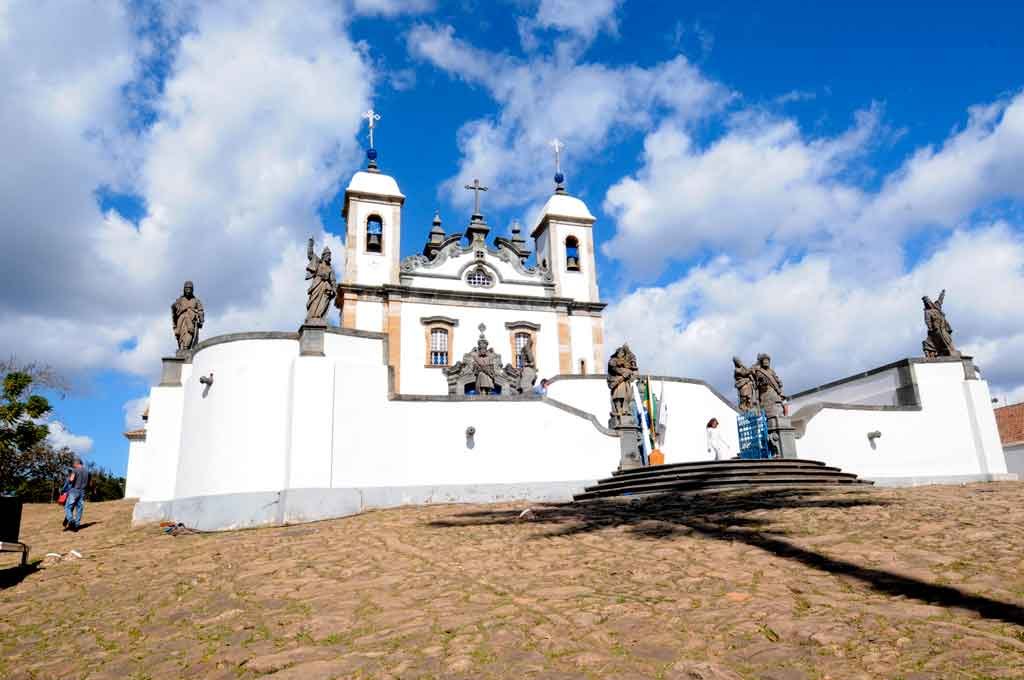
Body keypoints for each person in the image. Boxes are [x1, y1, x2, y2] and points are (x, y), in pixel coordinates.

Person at [64, 458, 89, 532]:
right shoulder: (87, 471)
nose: (73, 466)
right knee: (79, 508)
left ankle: (71, 520)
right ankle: (77, 525)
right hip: (82, 491)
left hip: (74, 490)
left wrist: (68, 480)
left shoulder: (75, 470)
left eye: (74, 464)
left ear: (76, 463)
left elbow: (71, 479)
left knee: (68, 507)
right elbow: (89, 482)